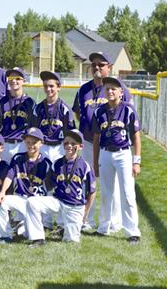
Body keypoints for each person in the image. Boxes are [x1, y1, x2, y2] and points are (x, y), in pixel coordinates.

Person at [72, 51, 132, 231]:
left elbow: (129, 114)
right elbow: (78, 112)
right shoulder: (84, 89)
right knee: (86, 181)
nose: (97, 67)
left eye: (101, 64)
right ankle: (87, 220)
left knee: (111, 185)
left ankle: (114, 222)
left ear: (109, 67)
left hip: (109, 145)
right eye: (94, 65)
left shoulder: (118, 87)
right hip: (89, 143)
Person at [92, 77, 142, 244]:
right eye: (107, 89)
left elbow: (136, 137)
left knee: (127, 193)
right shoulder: (99, 111)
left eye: (114, 88)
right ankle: (103, 227)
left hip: (123, 153)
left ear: (121, 92)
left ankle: (132, 231)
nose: (110, 91)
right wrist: (95, 161)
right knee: (106, 193)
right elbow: (96, 138)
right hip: (105, 153)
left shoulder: (128, 110)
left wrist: (137, 161)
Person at [26, 129, 96, 247]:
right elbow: (48, 185)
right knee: (32, 202)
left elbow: (92, 192)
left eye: (73, 143)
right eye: (67, 142)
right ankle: (38, 238)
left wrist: (85, 213)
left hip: (75, 206)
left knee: (70, 242)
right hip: (58, 201)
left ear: (80, 146)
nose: (69, 146)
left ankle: (67, 229)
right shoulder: (57, 164)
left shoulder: (85, 166)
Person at [0, 127, 52, 243]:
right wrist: (2, 192)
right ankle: (4, 236)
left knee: (24, 233)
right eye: (28, 142)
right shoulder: (18, 158)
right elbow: (9, 176)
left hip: (37, 201)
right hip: (21, 198)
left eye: (34, 142)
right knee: (0, 201)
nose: (31, 145)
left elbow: (50, 187)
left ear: (42, 143)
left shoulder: (46, 162)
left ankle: (35, 236)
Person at [34, 71, 76, 163]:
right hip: (42, 147)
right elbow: (34, 130)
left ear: (59, 87)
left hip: (59, 148)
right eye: (45, 86)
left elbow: (71, 133)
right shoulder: (38, 108)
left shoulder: (65, 109)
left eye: (51, 86)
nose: (48, 89)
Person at [0, 67, 36, 162]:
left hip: (22, 144)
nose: (14, 81)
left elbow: (33, 125)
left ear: (23, 81)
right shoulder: (1, 101)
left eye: (17, 78)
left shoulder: (30, 102)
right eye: (11, 79)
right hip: (5, 144)